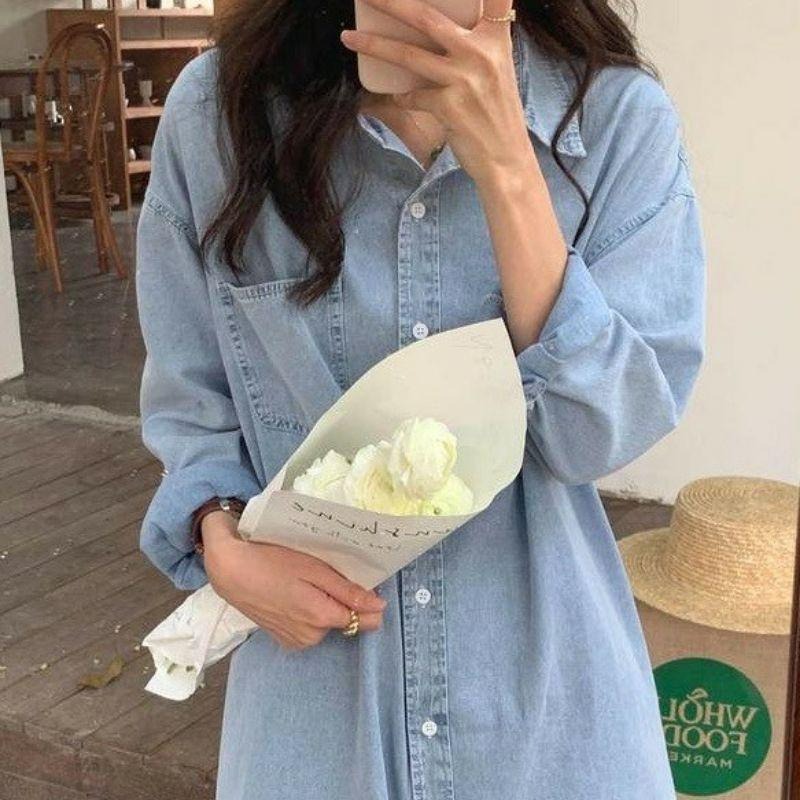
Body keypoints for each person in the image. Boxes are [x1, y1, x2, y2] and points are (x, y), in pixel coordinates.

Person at [135, 0, 706, 796]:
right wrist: (219, 541)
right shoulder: (218, 115)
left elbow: (599, 433)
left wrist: (506, 166)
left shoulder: (614, 120)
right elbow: (192, 402)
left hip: (547, 712)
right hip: (317, 709)